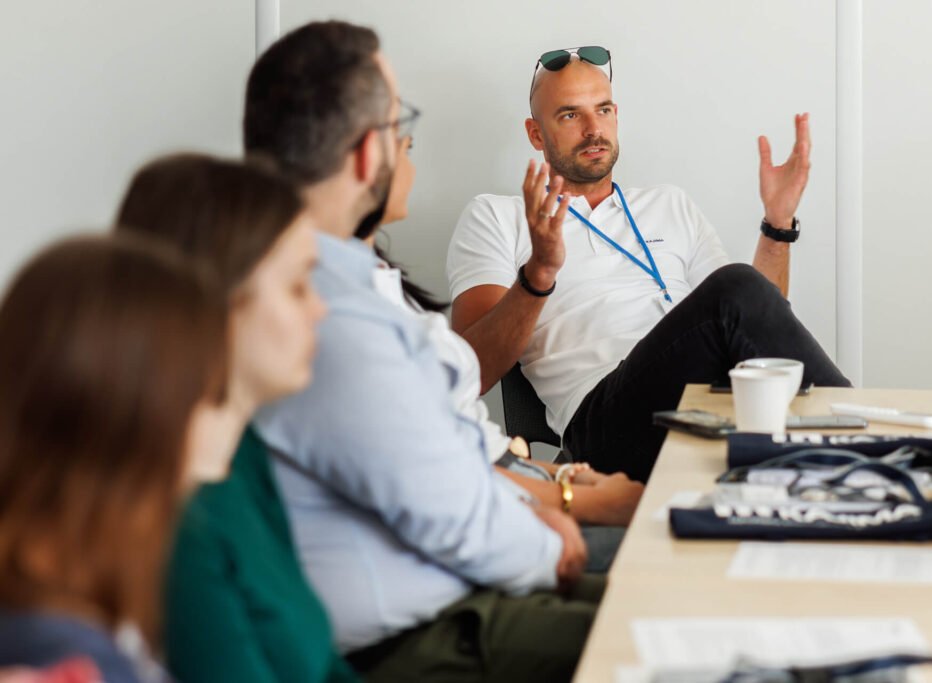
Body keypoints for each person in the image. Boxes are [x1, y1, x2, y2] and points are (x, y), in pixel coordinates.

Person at [243, 21, 602, 682]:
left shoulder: (339, 284)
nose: (407, 144)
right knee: (696, 632)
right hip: (424, 636)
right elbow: (457, 515)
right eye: (396, 124)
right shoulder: (328, 316)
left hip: (463, 591)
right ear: (362, 156)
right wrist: (551, 535)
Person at [447, 47, 852, 483]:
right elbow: (469, 371)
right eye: (569, 115)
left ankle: (862, 455)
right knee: (736, 285)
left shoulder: (669, 203)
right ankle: (875, 441)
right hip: (606, 423)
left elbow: (755, 320)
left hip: (715, 401)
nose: (592, 129)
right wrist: (538, 274)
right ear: (536, 133)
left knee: (741, 293)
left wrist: (776, 226)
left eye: (602, 110)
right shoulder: (498, 216)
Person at [113, 154, 359, 683]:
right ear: (215, 299)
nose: (320, 310)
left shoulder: (241, 451)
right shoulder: (175, 534)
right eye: (298, 287)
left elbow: (321, 662)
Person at [357, 131, 641, 571]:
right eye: (396, 126)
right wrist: (574, 502)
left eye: (604, 109)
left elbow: (472, 442)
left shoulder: (384, 287)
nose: (410, 139)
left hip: (522, 482)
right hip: (491, 540)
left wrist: (568, 479)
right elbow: (428, 478)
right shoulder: (341, 314)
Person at [0, 234, 229, 683]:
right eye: (211, 393)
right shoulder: (72, 658)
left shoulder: (59, 604)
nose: (222, 414)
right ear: (149, 416)